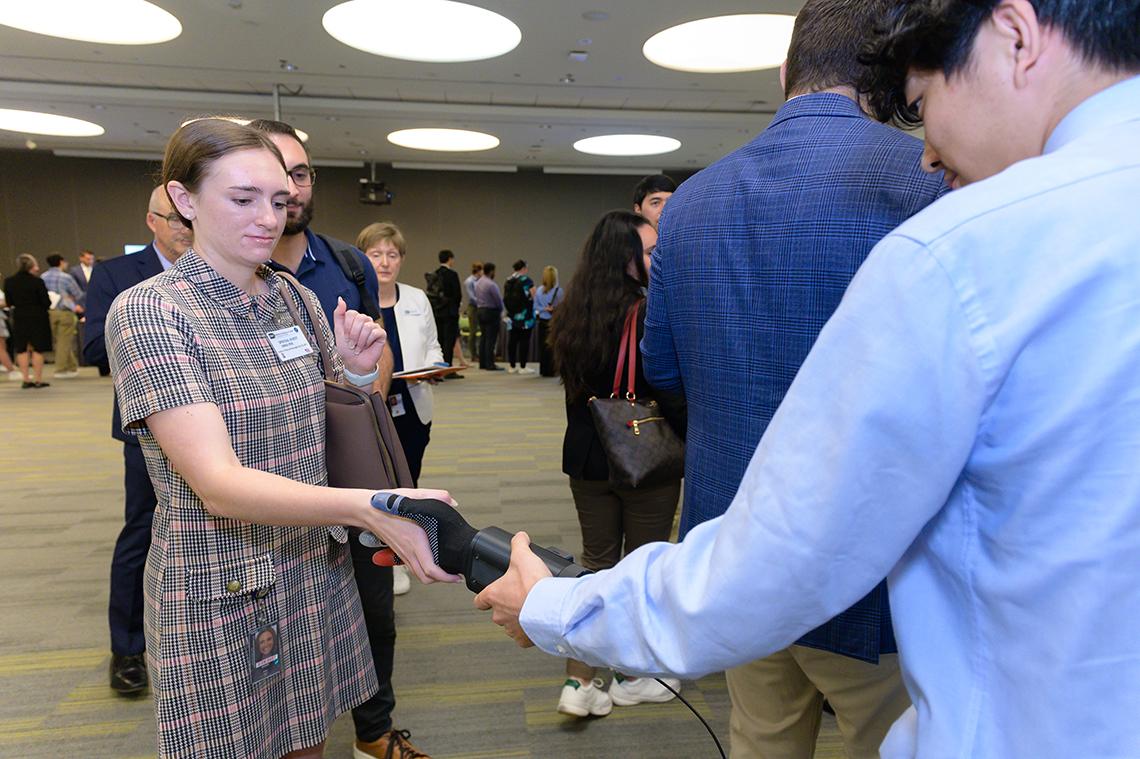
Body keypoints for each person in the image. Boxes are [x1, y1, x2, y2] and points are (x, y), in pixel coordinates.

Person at [474, 1, 1140, 757]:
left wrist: (561, 607)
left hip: (748, 536)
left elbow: (668, 375)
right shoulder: (965, 205)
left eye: (922, 101)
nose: (925, 150)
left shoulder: (944, 236)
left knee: (763, 735)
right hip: (882, 585)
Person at [644, 2, 945, 756]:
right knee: (893, 740)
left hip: (733, 541)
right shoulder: (928, 179)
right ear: (890, 77)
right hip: (872, 559)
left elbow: (662, 368)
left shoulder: (690, 201)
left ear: (784, 73)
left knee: (762, 737)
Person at [105, 118, 457, 759]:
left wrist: (355, 372)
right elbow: (219, 486)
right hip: (221, 583)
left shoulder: (290, 295)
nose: (268, 218)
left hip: (311, 566)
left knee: (306, 739)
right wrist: (370, 509)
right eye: (243, 199)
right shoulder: (152, 312)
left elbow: (326, 417)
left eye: (278, 200)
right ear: (184, 199)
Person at [248, 119, 423, 759]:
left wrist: (361, 397)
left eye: (298, 175)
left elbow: (376, 352)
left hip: (347, 475)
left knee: (373, 609)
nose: (287, 192)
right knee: (280, 635)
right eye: (270, 179)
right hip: (264, 494)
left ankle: (374, 731)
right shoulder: (209, 286)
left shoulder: (345, 263)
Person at [545, 210, 685, 717]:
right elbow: (668, 388)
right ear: (626, 260)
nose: (657, 258)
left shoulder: (571, 311)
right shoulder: (646, 313)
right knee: (641, 569)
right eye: (649, 251)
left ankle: (579, 682)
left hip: (587, 458)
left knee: (595, 565)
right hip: (641, 454)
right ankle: (631, 675)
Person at [84, 185, 193, 696]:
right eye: (174, 218)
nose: (184, 227)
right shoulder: (117, 274)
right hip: (147, 427)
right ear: (151, 220)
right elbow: (91, 347)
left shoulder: (218, 269)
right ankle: (127, 648)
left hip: (219, 422)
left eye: (189, 218)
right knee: (144, 530)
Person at [360, 221, 444, 607]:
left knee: (408, 478)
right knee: (377, 480)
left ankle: (403, 550)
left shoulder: (416, 297)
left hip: (412, 402)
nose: (384, 262)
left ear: (402, 259)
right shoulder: (354, 299)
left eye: (392, 255)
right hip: (370, 405)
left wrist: (435, 366)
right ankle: (380, 551)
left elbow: (433, 345)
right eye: (376, 254)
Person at [3, 254, 52, 388]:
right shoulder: (37, 282)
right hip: (38, 317)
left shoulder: (9, 281)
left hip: (19, 316)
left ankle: (25, 379)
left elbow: (9, 302)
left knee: (22, 348)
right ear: (32, 265)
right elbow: (46, 302)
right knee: (38, 348)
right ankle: (38, 379)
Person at [42, 253, 84, 379]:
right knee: (64, 341)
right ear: (61, 262)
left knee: (60, 341)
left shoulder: (43, 277)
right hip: (65, 312)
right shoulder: (66, 277)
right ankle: (60, 369)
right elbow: (78, 294)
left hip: (50, 312)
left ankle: (72, 367)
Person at [428, 249, 462, 369]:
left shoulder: (434, 274)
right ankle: (448, 366)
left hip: (437, 312)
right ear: (450, 259)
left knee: (440, 340)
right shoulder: (452, 275)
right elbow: (457, 295)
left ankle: (439, 365)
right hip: (450, 312)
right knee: (449, 341)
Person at [503, 259, 535, 374]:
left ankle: (512, 366)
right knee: (524, 341)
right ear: (523, 268)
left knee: (512, 341)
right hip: (525, 316)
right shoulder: (526, 280)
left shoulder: (508, 280)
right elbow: (534, 295)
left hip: (511, 316)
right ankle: (523, 366)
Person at [532, 265, 563, 377]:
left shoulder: (539, 290)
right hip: (553, 321)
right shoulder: (559, 291)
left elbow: (535, 307)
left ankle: (543, 369)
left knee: (543, 346)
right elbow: (562, 307)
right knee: (552, 347)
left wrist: (543, 309)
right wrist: (552, 309)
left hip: (542, 321)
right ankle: (552, 370)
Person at [473, 262, 503, 371]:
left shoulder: (478, 283)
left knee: (483, 338)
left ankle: (482, 363)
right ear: (491, 271)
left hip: (480, 311)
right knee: (491, 339)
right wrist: (501, 310)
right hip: (491, 312)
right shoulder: (491, 284)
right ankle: (490, 364)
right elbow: (498, 300)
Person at [463, 261, 482, 363]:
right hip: (473, 307)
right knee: (473, 331)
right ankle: (473, 355)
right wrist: (482, 301)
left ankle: (480, 353)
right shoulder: (469, 281)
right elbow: (472, 297)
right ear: (478, 270)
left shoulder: (480, 280)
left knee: (482, 331)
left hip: (480, 307)